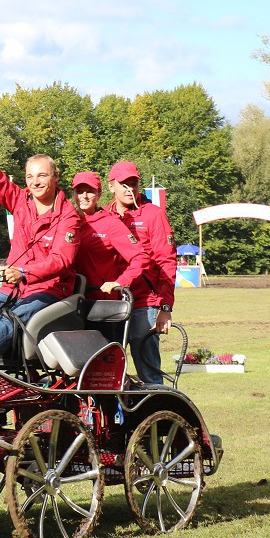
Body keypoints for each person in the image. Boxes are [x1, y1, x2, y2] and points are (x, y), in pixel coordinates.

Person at [0, 118, 80, 361]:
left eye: (42, 176)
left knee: (10, 319)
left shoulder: (69, 216)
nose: (35, 182)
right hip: (11, 290)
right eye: (30, 177)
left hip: (48, 292)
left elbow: (62, 260)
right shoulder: (20, 201)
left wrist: (24, 271)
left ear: (55, 177)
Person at [103, 161, 177, 384]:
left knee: (149, 372)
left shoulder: (154, 215)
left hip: (145, 304)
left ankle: (158, 417)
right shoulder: (104, 215)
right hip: (111, 302)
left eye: (133, 184)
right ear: (111, 186)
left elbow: (167, 261)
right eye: (124, 184)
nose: (129, 189)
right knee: (106, 373)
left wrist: (165, 307)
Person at [70, 170, 150, 338]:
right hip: (69, 303)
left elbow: (140, 257)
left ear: (99, 194)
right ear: (73, 194)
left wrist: (120, 282)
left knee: (103, 360)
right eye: (79, 191)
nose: (84, 196)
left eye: (90, 191)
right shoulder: (67, 221)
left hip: (101, 306)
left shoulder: (110, 223)